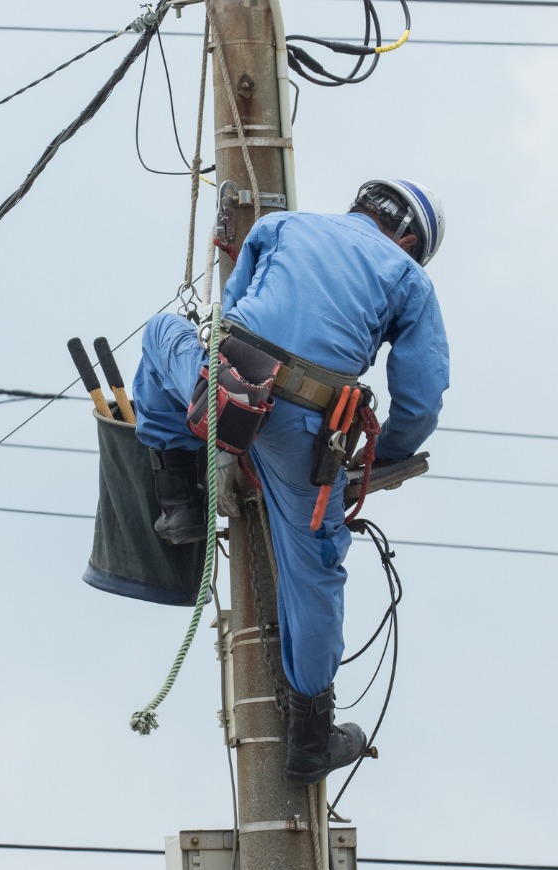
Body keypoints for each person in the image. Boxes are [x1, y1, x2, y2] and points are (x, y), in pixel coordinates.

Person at [131, 179, 449, 784]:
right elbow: (422, 396)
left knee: (160, 333)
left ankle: (178, 497)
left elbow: (235, 310)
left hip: (228, 384)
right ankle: (308, 737)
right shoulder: (410, 279)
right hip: (303, 423)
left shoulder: (284, 227)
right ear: (407, 239)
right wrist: (391, 456)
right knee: (315, 567)